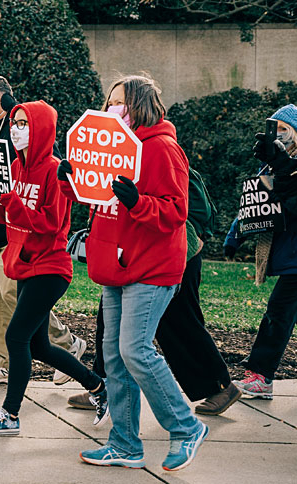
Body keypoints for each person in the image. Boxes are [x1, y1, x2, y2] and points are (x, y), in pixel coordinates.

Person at [60, 75, 208, 471]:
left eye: (120, 102)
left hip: (152, 267)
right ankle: (124, 444)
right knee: (114, 357)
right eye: (109, 102)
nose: (112, 109)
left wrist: (138, 201)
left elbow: (176, 212)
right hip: (114, 265)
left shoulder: (162, 149)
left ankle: (185, 427)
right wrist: (72, 183)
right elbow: (98, 197)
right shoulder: (108, 147)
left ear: (140, 104)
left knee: (134, 350)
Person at [0, 100, 108, 436]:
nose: (17, 130)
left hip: (50, 267)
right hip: (25, 264)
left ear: (42, 130)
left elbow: (51, 224)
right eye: (14, 124)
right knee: (39, 346)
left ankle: (10, 415)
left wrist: (13, 204)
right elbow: (8, 214)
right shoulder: (17, 167)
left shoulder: (55, 169)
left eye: (24, 124)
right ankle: (98, 387)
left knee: (16, 337)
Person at [67, 168, 241, 416]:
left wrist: (199, 234)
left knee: (179, 322)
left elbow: (193, 205)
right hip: (132, 253)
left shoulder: (162, 153)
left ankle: (220, 386)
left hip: (172, 256)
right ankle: (105, 385)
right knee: (109, 320)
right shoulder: (118, 156)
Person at [0, 74, 86, 386]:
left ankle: (67, 346)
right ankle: (5, 360)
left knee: (15, 299)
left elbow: (44, 183)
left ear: (4, 100)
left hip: (19, 236)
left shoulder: (26, 134)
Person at [225, 104, 297, 399]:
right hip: (288, 254)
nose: (278, 134)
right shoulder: (270, 165)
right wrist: (235, 235)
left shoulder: (296, 166)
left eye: (284, 129)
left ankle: (260, 375)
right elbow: (255, 203)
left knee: (277, 315)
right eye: (274, 128)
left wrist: (286, 170)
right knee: (296, 315)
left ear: (296, 133)